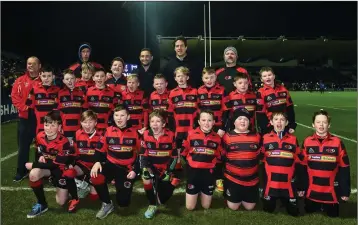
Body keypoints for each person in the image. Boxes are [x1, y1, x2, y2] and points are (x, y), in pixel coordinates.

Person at [90, 106, 141, 219]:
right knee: (95, 176)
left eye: (122, 115)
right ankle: (107, 203)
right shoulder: (108, 131)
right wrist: (97, 162)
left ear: (128, 117)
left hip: (126, 169)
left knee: (123, 203)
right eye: (116, 115)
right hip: (111, 165)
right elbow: (99, 149)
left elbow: (142, 154)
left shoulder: (135, 133)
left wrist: (135, 170)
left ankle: (120, 183)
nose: (119, 118)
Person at [25, 111, 78, 218]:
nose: (48, 128)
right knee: (33, 174)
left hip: (59, 169)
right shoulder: (40, 136)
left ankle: (72, 187)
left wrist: (34, 164)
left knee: (61, 202)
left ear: (59, 127)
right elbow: (39, 150)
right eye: (46, 125)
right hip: (48, 168)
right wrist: (40, 156)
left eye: (52, 125)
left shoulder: (64, 142)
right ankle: (42, 204)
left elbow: (55, 165)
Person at [300, 110, 350, 217]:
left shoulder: (338, 142)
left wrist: (345, 191)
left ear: (329, 124)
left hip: (331, 195)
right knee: (309, 213)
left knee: (333, 216)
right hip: (311, 193)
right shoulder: (307, 142)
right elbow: (302, 167)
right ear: (313, 124)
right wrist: (301, 187)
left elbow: (344, 168)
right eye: (318, 122)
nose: (321, 125)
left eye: (324, 122)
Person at [260, 112, 303, 217]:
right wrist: (262, 184)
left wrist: (300, 184)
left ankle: (285, 199)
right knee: (268, 209)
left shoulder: (293, 139)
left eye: (282, 120)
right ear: (271, 122)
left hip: (287, 184)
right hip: (271, 184)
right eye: (276, 119)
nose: (279, 122)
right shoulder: (265, 138)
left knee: (294, 212)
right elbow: (261, 161)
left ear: (287, 122)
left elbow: (298, 161)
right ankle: (271, 196)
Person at [140, 109, 179, 219]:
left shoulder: (171, 135)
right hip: (152, 167)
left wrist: (169, 171)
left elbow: (174, 156)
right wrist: (145, 168)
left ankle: (172, 183)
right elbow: (143, 155)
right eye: (152, 121)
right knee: (145, 178)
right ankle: (152, 205)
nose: (155, 124)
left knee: (161, 200)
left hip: (165, 169)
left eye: (158, 121)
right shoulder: (146, 134)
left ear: (163, 124)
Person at [181, 110, 222, 210]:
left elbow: (219, 156)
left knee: (206, 206)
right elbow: (184, 152)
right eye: (203, 120)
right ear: (199, 122)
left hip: (208, 173)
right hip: (193, 172)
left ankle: (202, 192)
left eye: (209, 120)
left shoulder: (217, 138)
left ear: (213, 122)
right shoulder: (190, 134)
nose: (206, 123)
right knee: (190, 207)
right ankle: (196, 191)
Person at [222, 108, 261, 211]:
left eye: (246, 119)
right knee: (233, 207)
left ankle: (245, 194)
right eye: (240, 118)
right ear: (234, 122)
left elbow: (259, 156)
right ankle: (234, 193)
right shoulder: (227, 137)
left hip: (252, 179)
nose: (243, 121)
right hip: (233, 179)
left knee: (250, 207)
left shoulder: (257, 137)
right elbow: (222, 156)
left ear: (249, 122)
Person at [197, 67, 228, 193]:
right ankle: (204, 175)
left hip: (217, 126)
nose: (209, 80)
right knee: (205, 151)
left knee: (219, 152)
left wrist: (222, 128)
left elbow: (226, 111)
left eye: (212, 77)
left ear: (216, 78)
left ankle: (219, 178)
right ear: (202, 79)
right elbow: (197, 110)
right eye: (206, 78)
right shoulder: (199, 91)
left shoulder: (222, 90)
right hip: (204, 126)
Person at [11, 56, 41, 182]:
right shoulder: (20, 80)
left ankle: (40, 170)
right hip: (25, 118)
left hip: (40, 119)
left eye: (33, 64)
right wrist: (25, 108)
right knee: (23, 147)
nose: (30, 66)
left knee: (41, 147)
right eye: (28, 64)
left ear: (39, 66)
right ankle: (21, 171)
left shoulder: (44, 79)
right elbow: (14, 96)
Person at [256, 67, 296, 135]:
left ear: (274, 76)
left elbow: (290, 108)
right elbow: (260, 113)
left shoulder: (283, 90)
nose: (268, 77)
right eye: (265, 76)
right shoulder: (260, 93)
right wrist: (266, 128)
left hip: (284, 125)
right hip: (270, 127)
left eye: (269, 75)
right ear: (261, 79)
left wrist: (292, 124)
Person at [72, 110, 101, 202]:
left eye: (90, 122)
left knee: (94, 197)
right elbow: (74, 153)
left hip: (95, 166)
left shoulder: (101, 135)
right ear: (80, 122)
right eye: (84, 122)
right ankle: (80, 182)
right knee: (68, 172)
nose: (87, 125)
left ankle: (88, 182)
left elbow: (103, 155)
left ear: (95, 123)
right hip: (82, 165)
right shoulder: (77, 134)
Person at [27, 65, 60, 135]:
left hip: (54, 127)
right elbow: (30, 109)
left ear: (53, 76)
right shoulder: (34, 90)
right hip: (39, 128)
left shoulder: (58, 90)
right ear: (40, 76)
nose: (46, 78)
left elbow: (59, 110)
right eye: (44, 76)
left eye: (49, 76)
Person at [56, 69, 87, 143]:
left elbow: (85, 111)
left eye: (72, 78)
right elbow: (57, 112)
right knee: (66, 151)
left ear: (76, 80)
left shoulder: (81, 93)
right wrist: (59, 125)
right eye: (67, 79)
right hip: (65, 129)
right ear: (63, 81)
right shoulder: (60, 93)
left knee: (77, 151)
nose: (69, 81)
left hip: (78, 128)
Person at [86, 68, 117, 134]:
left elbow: (114, 111)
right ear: (93, 78)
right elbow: (85, 110)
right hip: (91, 127)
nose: (99, 78)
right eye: (97, 76)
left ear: (105, 78)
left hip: (106, 127)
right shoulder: (88, 91)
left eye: (102, 76)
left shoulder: (112, 92)